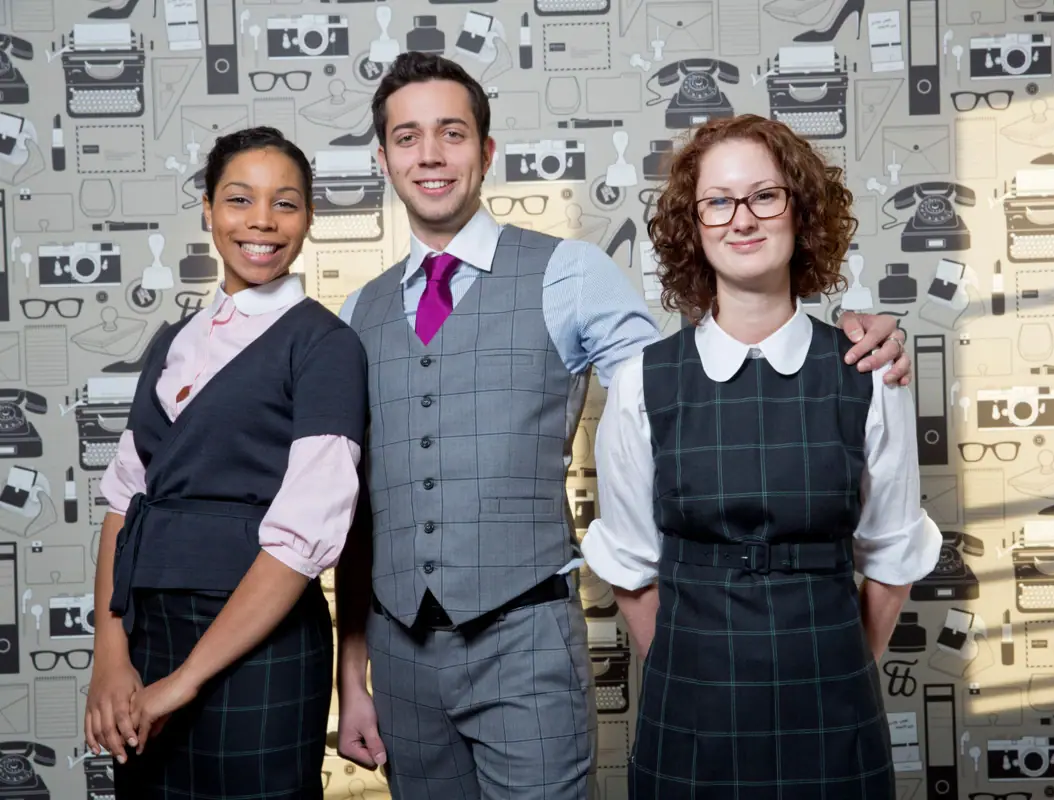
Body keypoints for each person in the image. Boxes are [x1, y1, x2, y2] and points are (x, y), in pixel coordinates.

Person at [332, 53, 912, 800]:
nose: (431, 154)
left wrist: (852, 337)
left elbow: (699, 392)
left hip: (523, 637)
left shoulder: (568, 274)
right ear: (382, 159)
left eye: (452, 132)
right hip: (399, 651)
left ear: (487, 150)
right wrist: (353, 676)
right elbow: (354, 515)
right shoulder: (356, 311)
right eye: (407, 138)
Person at [579, 114, 942, 799]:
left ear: (800, 214)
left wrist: (835, 667)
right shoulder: (641, 383)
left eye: (764, 196)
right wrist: (694, 673)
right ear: (694, 225)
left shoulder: (867, 372)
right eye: (718, 201)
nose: (741, 219)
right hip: (689, 712)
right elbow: (630, 569)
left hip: (835, 708)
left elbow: (892, 563)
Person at [84, 126, 369, 798]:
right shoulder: (172, 340)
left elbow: (304, 540)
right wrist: (110, 657)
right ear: (208, 209)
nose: (263, 221)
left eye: (287, 203)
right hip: (149, 634)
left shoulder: (326, 346)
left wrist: (181, 686)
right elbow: (124, 504)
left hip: (258, 648)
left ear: (309, 219)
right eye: (240, 200)